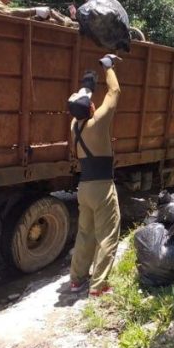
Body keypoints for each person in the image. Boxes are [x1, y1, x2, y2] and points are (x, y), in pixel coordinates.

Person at [67, 54, 122, 297]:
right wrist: (108, 66)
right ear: (91, 108)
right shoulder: (98, 123)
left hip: (84, 188)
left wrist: (87, 84)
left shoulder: (74, 127)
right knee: (108, 235)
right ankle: (99, 286)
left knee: (85, 234)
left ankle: (77, 280)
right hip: (102, 188)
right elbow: (115, 92)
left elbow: (80, 103)